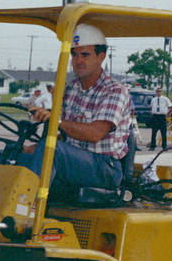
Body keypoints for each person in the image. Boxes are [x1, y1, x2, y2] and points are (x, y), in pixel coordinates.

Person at [17, 23, 132, 196]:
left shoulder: (115, 90)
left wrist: (55, 120)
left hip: (104, 168)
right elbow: (63, 136)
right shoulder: (70, 89)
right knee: (7, 155)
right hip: (75, 162)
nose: (78, 61)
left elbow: (95, 133)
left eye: (85, 55)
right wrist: (27, 148)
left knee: (53, 151)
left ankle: (26, 210)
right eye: (74, 55)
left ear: (101, 57)